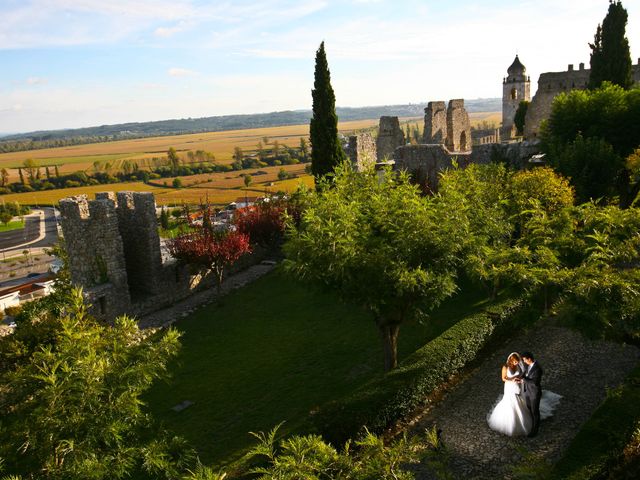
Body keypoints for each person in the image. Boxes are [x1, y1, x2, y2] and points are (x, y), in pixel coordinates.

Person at [487, 352, 532, 436]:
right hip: (509, 387)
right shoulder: (505, 367)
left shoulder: (518, 366)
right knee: (510, 401)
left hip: (517, 386)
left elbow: (520, 374)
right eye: (515, 362)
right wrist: (512, 379)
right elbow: (503, 378)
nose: (517, 363)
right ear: (511, 360)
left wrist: (519, 379)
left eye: (518, 362)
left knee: (518, 400)